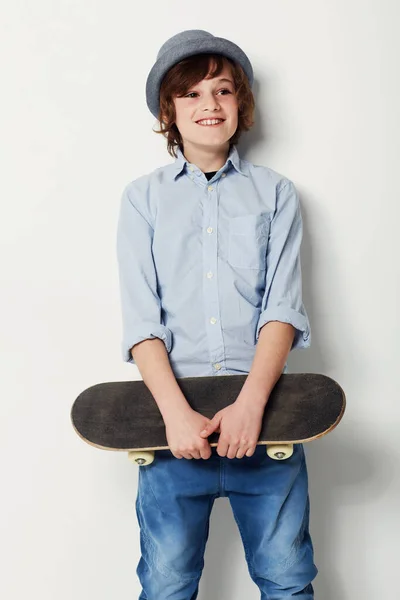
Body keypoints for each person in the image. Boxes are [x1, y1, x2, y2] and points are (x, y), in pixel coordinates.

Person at [116, 29, 318, 600]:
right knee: (167, 582)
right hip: (172, 429)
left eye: (223, 90)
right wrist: (176, 417)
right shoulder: (142, 199)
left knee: (286, 578)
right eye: (192, 93)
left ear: (241, 104)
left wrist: (251, 405)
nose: (209, 105)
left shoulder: (276, 194)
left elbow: (282, 308)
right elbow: (142, 320)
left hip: (267, 420)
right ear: (169, 110)